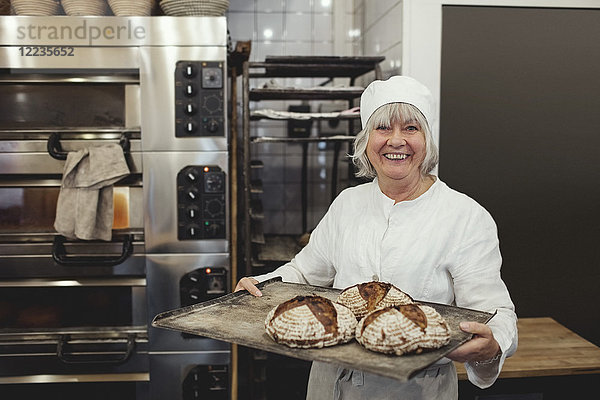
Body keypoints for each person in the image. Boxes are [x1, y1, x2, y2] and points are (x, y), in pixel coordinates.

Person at [236, 75, 518, 399]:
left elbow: (497, 315)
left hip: (413, 391)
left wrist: (492, 345)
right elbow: (302, 272)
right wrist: (264, 284)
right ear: (366, 141)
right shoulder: (347, 204)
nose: (396, 141)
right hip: (329, 385)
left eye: (411, 128)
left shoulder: (464, 217)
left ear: (427, 140)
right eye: (383, 128)